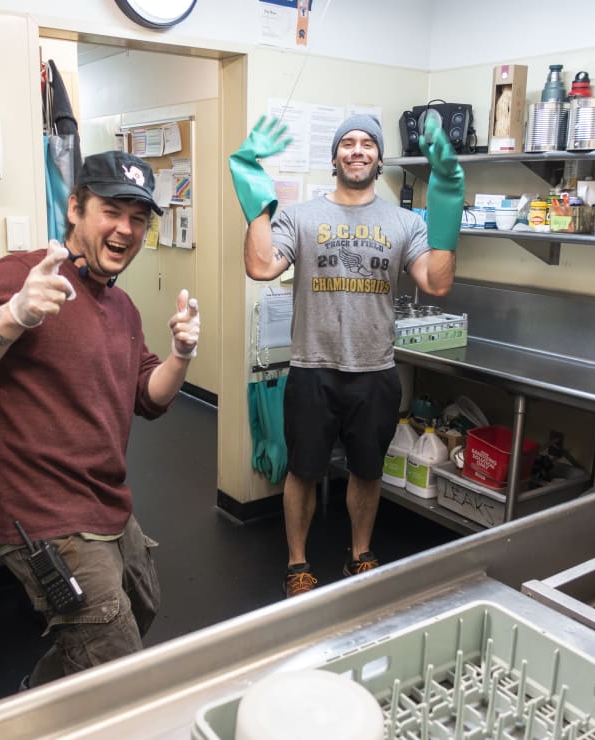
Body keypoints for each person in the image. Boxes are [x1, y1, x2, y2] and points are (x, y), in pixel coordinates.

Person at [0, 150, 200, 686]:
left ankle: (38, 698)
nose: (126, 229)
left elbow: (149, 397)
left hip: (108, 501)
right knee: (116, 663)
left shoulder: (122, 309)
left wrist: (181, 357)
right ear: (75, 207)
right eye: (111, 211)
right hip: (45, 514)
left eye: (138, 218)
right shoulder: (22, 276)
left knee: (139, 609)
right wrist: (14, 315)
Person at [229, 112, 465, 597]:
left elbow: (437, 282)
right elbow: (259, 266)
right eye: (348, 143)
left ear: (379, 158)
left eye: (367, 144)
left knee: (367, 470)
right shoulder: (301, 216)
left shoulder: (405, 222)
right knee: (303, 471)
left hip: (375, 371)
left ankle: (360, 551)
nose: (357, 150)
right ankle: (298, 562)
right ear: (335, 155)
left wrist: (446, 197)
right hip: (312, 369)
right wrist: (254, 189)